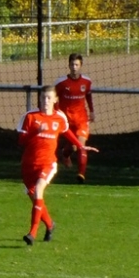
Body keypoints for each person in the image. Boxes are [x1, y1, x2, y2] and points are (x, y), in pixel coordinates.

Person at [16, 85, 98, 245]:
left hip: (48, 163)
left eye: (49, 98)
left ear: (55, 100)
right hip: (29, 164)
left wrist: (81, 146)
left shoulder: (59, 118)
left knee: (39, 190)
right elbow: (21, 141)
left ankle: (32, 233)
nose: (46, 101)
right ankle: (50, 224)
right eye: (43, 98)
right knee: (36, 199)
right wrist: (35, 131)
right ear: (40, 99)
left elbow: (67, 132)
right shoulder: (30, 116)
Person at [54, 53, 95, 183]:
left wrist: (92, 111)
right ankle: (65, 154)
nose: (74, 67)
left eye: (77, 65)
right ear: (69, 65)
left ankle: (81, 174)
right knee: (73, 147)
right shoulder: (61, 83)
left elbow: (88, 95)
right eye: (72, 64)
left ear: (81, 65)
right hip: (66, 121)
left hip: (82, 120)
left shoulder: (87, 81)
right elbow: (54, 99)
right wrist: (56, 113)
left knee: (81, 146)